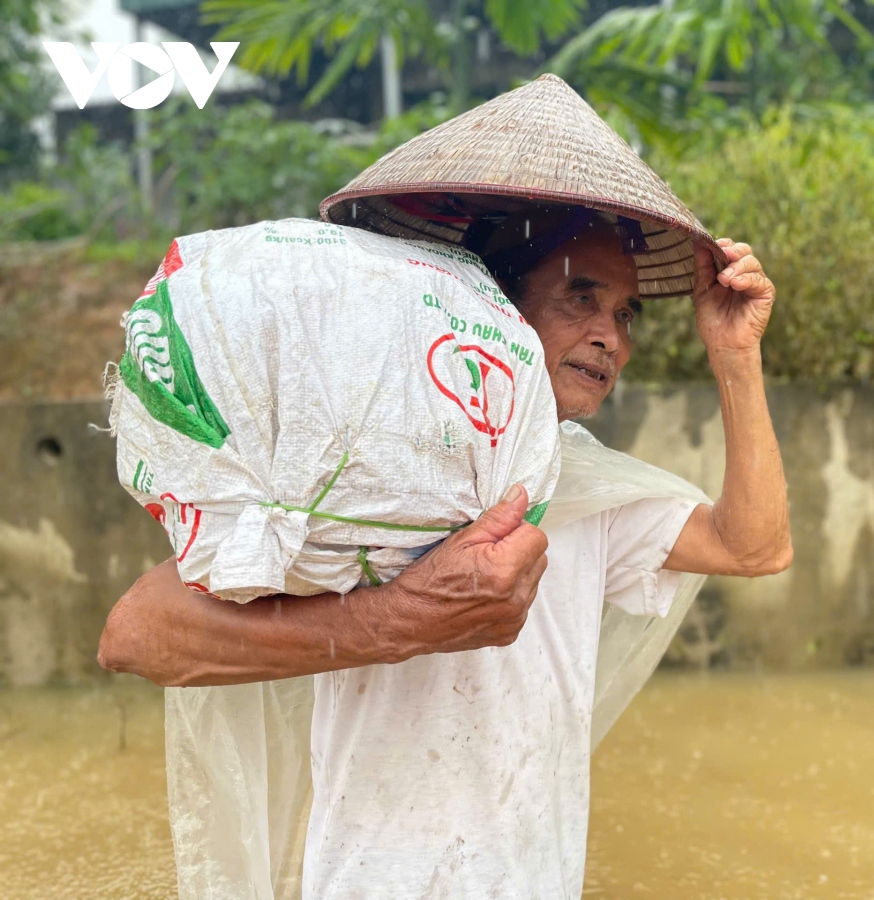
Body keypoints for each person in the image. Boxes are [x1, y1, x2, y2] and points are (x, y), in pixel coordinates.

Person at [99, 79, 791, 899]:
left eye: (628, 313)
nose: (611, 334)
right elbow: (136, 635)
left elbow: (755, 545)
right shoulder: (387, 467)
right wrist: (399, 619)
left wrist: (736, 356)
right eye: (580, 296)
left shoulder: (585, 488)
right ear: (490, 312)